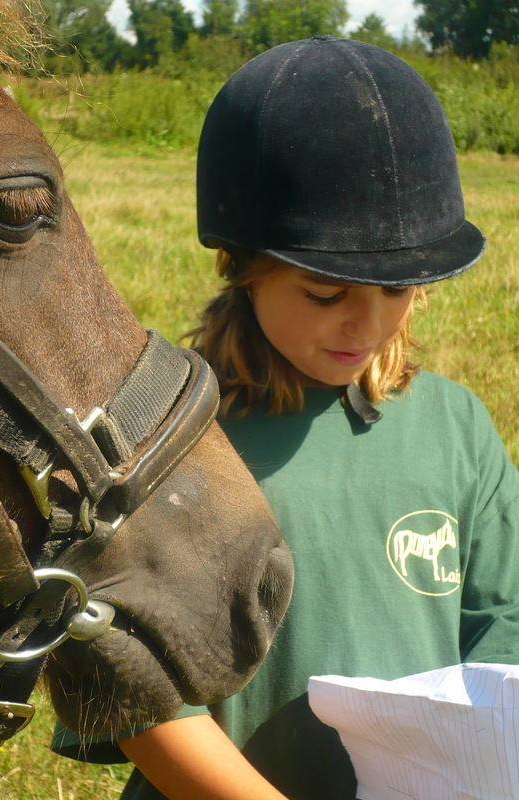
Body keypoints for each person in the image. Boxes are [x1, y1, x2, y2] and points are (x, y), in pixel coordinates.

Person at [52, 36, 519, 799]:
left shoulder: (456, 428)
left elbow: (506, 634)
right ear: (240, 265)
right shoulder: (158, 440)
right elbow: (133, 690)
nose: (367, 325)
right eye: (326, 294)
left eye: (398, 289)